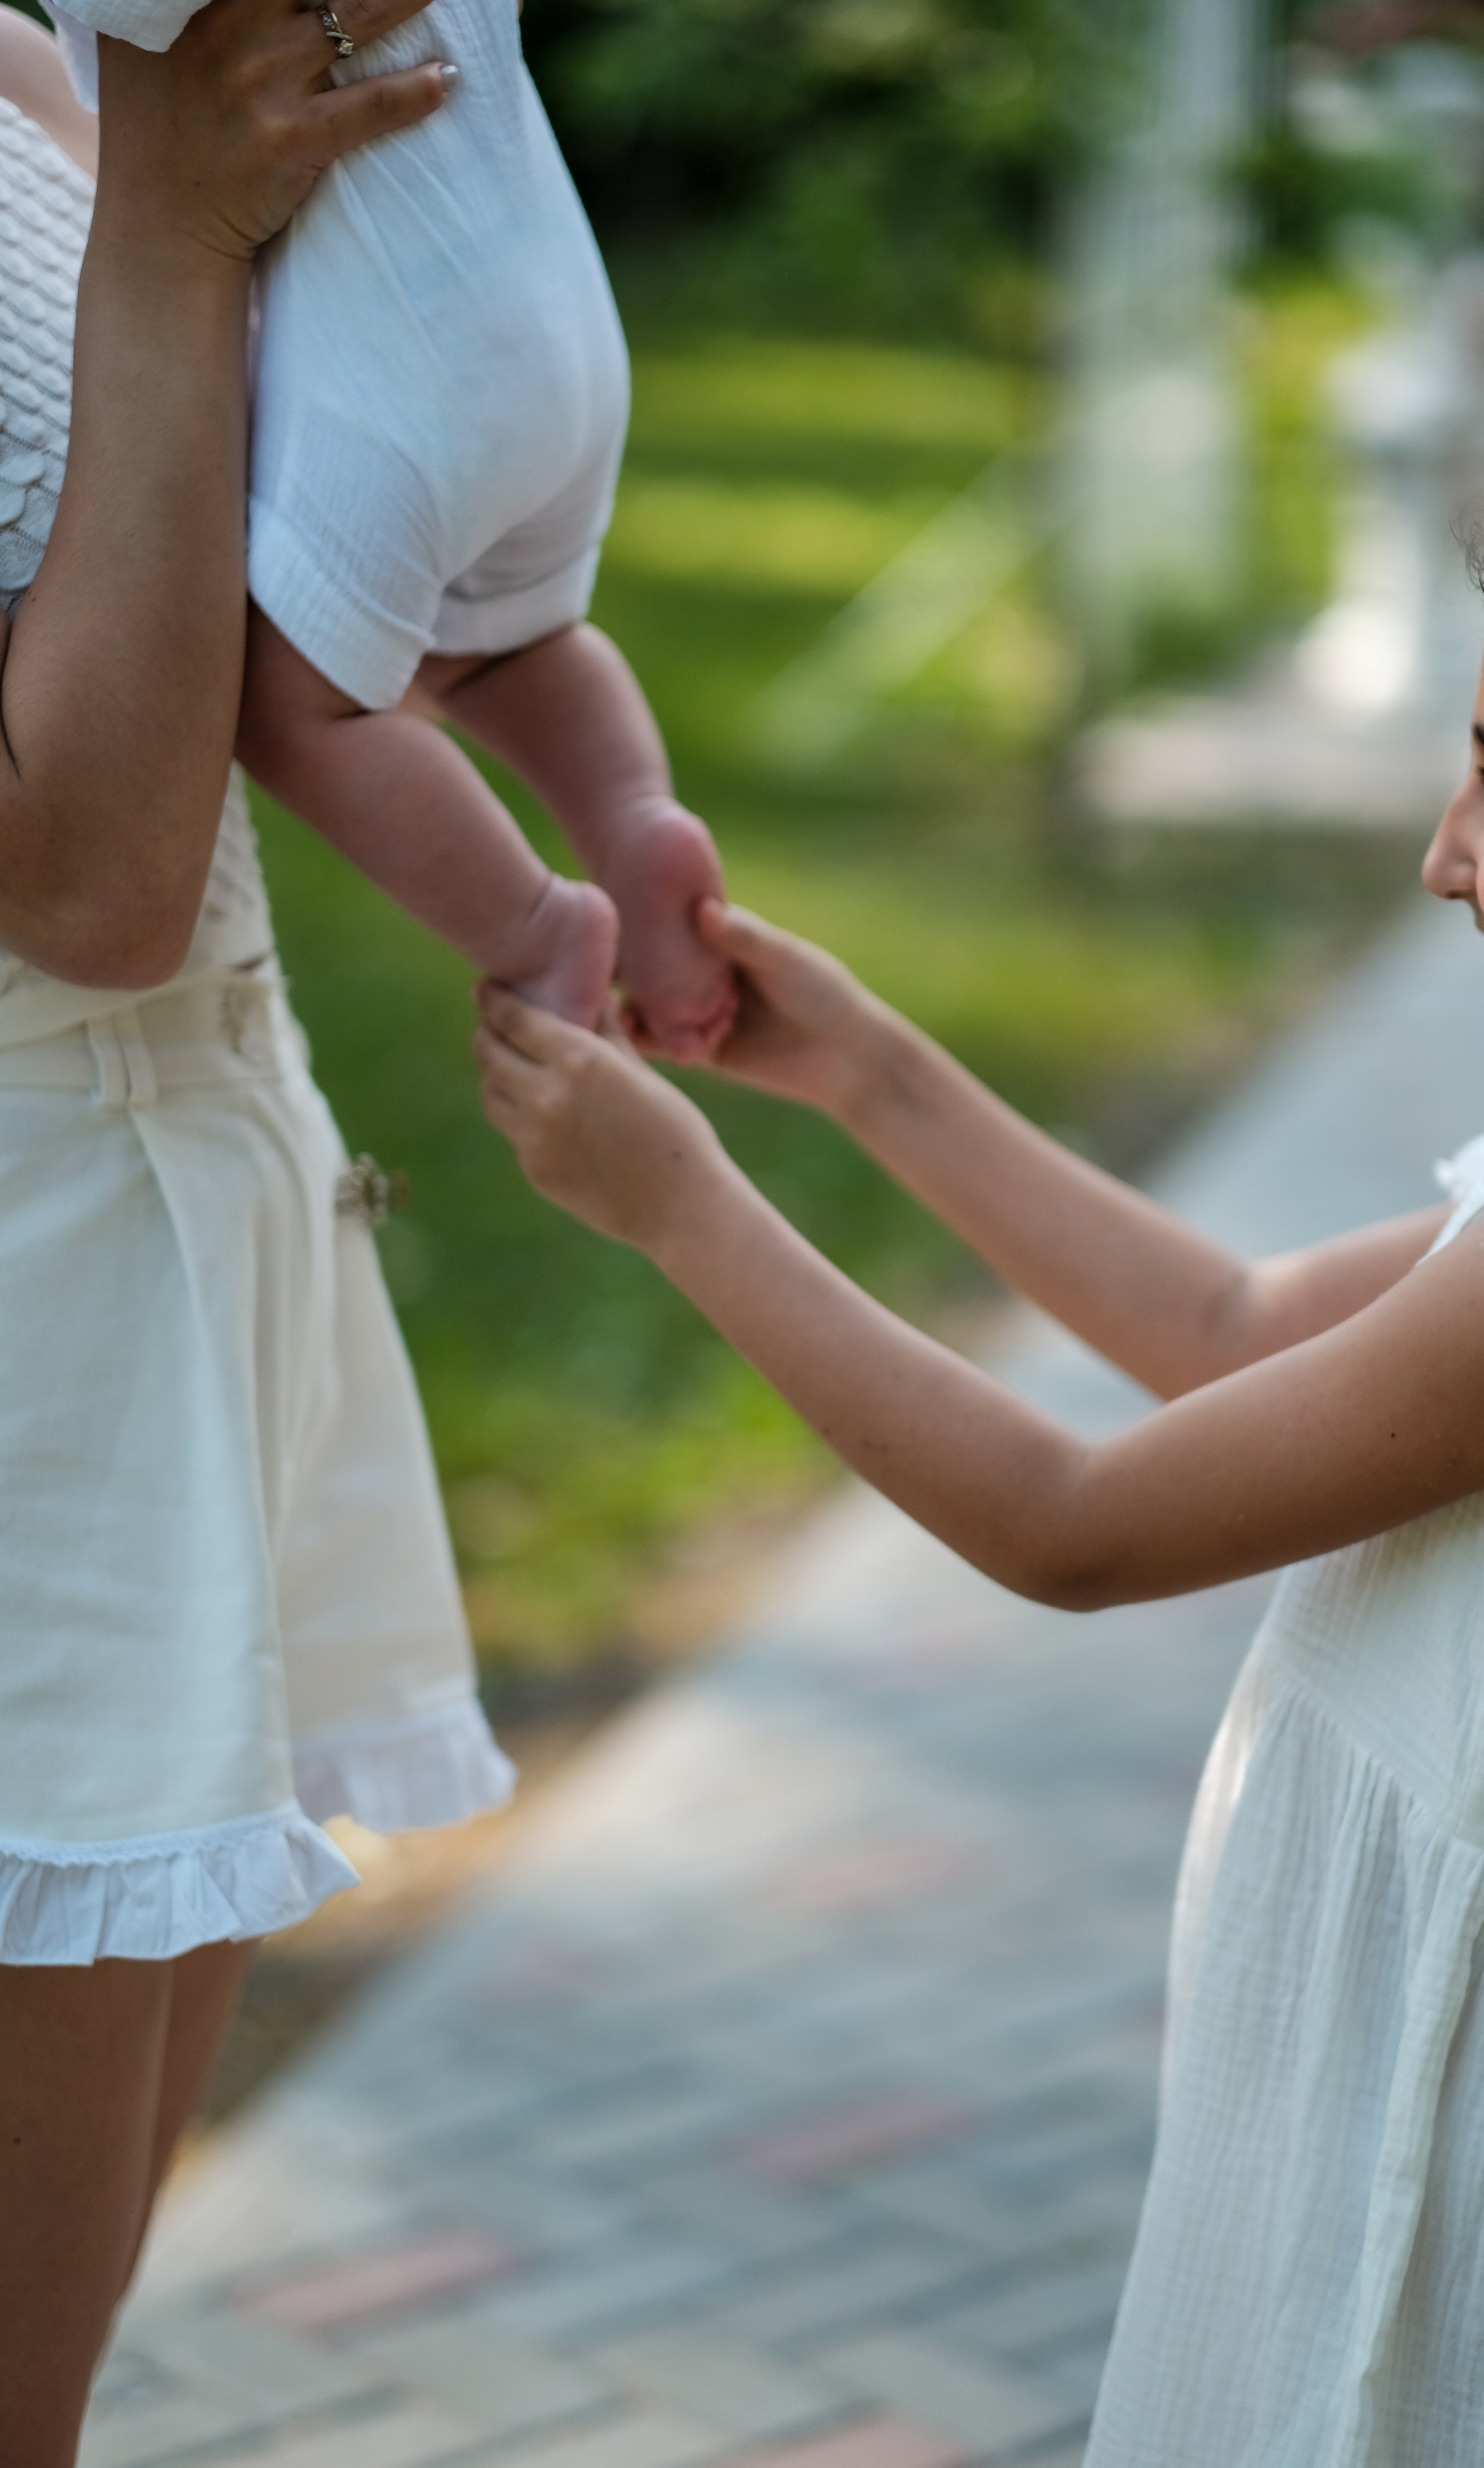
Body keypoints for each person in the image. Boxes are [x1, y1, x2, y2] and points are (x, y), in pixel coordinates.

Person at [476, 460, 1484, 2462]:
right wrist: (868, 1074)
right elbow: (1233, 1330)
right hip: (1375, 2125)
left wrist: (682, 1208)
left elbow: (1075, 1526)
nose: (1445, 859)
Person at [0, 4, 515, 2460]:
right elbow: (87, 869)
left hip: (196, 1220)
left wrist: (572, 846)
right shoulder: (139, 148)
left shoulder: (54, 63)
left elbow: (281, 596)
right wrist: (182, 234)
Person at [44, 0, 736, 1055]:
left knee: (292, 712)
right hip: (559, 315)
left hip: (406, 371)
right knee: (506, 644)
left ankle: (542, 931)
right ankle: (633, 818)